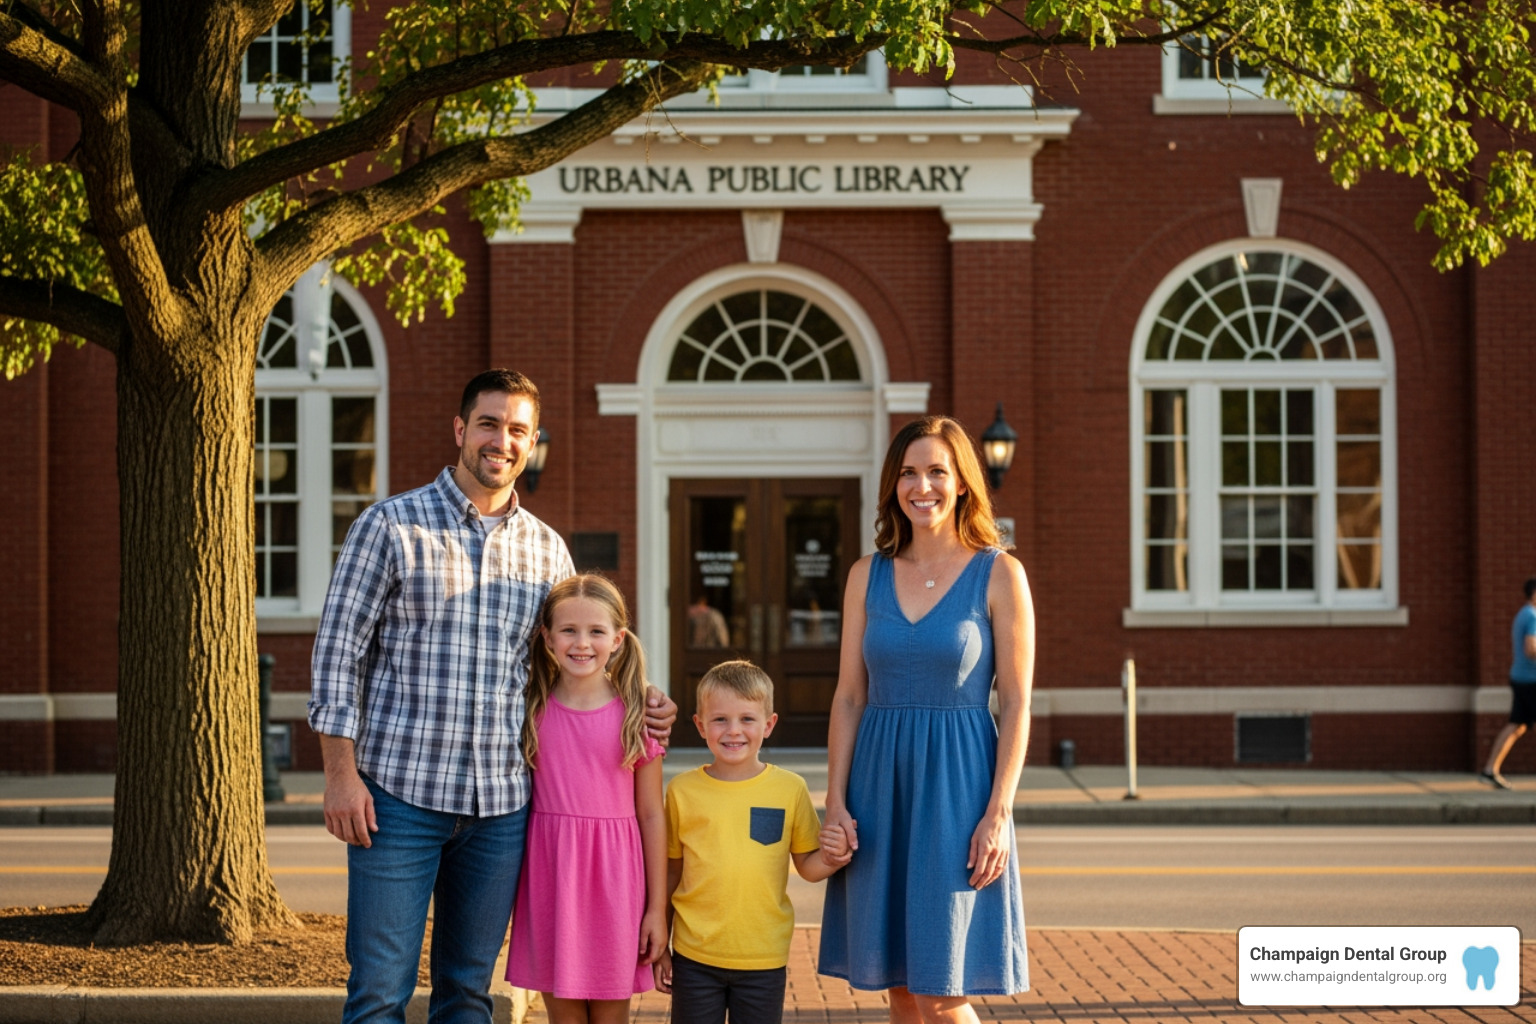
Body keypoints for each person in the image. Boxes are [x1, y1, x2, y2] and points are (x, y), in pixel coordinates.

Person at [308, 368, 677, 1024]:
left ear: (531, 443)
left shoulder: (547, 551)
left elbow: (576, 652)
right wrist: (340, 775)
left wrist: (642, 698)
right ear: (460, 429)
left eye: (517, 430)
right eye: (488, 423)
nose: (501, 441)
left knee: (468, 997)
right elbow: (338, 657)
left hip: (502, 810)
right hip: (397, 798)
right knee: (377, 996)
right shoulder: (389, 527)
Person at [819, 415, 1034, 1024]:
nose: (923, 486)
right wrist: (834, 801)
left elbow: (1016, 701)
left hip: (959, 789)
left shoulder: (999, 573)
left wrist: (999, 813)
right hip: (878, 786)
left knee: (942, 989)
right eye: (909, 473)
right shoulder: (868, 574)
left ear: (962, 481)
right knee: (902, 987)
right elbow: (849, 697)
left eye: (938, 471)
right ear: (893, 486)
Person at [506, 575, 668, 1023]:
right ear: (547, 637)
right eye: (569, 631)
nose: (582, 643)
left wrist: (657, 909)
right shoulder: (529, 707)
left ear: (618, 639)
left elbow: (652, 815)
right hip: (551, 878)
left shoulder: (638, 713)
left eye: (596, 632)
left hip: (616, 883)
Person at [654, 660, 852, 1024]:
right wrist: (662, 944)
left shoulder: (790, 789)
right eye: (720, 720)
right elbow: (671, 871)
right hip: (694, 954)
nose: (733, 731)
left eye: (747, 719)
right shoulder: (682, 792)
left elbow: (807, 866)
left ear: (769, 724)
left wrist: (834, 858)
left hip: (764, 956)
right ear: (700, 725)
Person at [1480, 576, 1536, 789]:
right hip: (1531, 680)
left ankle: (1490, 769)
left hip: (1520, 678)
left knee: (1517, 726)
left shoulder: (1523, 614)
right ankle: (1490, 769)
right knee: (1517, 725)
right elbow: (1530, 649)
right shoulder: (1532, 616)